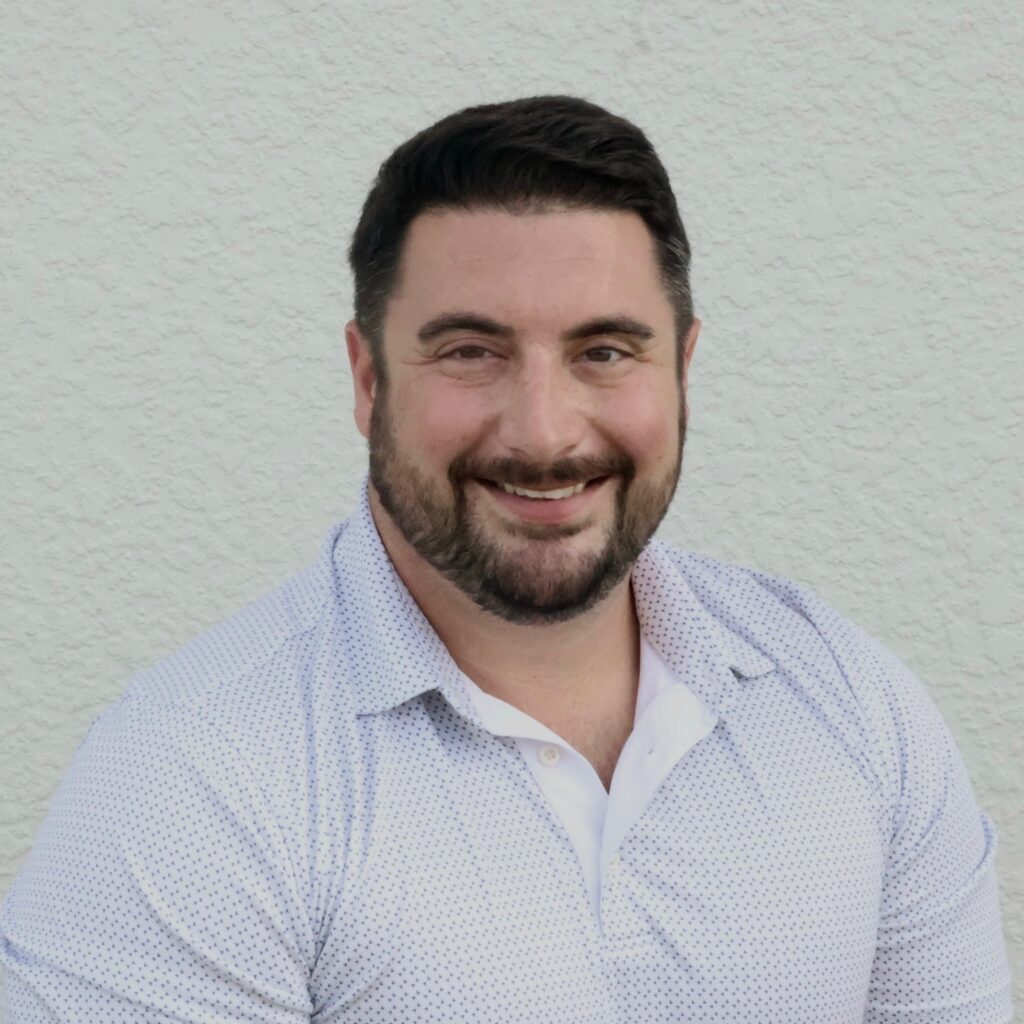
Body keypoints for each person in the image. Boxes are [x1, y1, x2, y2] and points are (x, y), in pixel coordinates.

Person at [0, 96, 1013, 1023]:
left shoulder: (853, 706)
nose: (542, 431)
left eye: (604, 351)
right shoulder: (188, 778)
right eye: (470, 352)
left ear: (682, 369)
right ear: (367, 379)